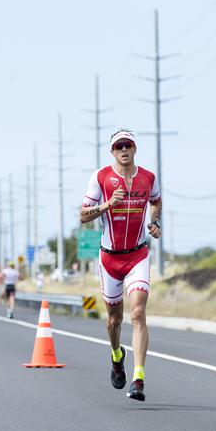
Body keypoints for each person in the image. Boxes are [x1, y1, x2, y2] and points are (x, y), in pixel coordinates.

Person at [79, 128, 161, 402]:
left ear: (135, 148)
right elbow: (82, 215)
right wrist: (106, 205)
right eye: (118, 146)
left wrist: (155, 222)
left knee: (138, 314)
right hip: (110, 258)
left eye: (128, 145)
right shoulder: (101, 177)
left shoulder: (148, 177)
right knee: (114, 321)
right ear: (112, 151)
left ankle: (138, 379)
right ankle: (117, 356)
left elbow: (156, 201)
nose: (124, 150)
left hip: (137, 255)